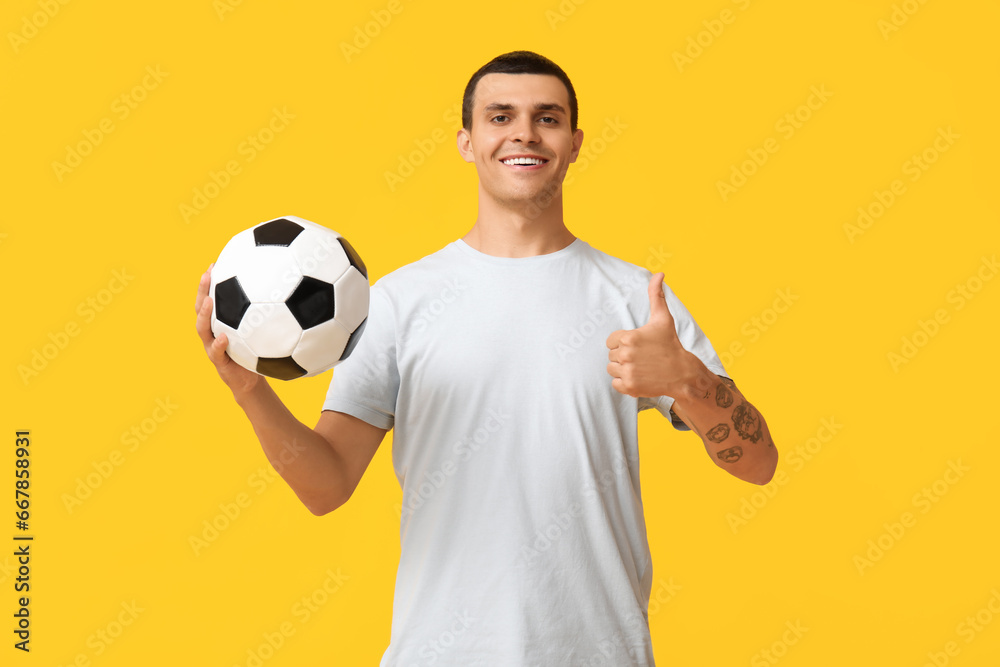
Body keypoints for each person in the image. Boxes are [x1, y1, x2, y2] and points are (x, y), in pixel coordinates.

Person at [195, 50, 778, 666]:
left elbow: (758, 462)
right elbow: (327, 486)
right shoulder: (398, 302)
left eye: (546, 118)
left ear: (575, 143)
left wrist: (689, 380)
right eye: (501, 117)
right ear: (467, 142)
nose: (524, 132)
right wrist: (250, 391)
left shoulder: (636, 298)